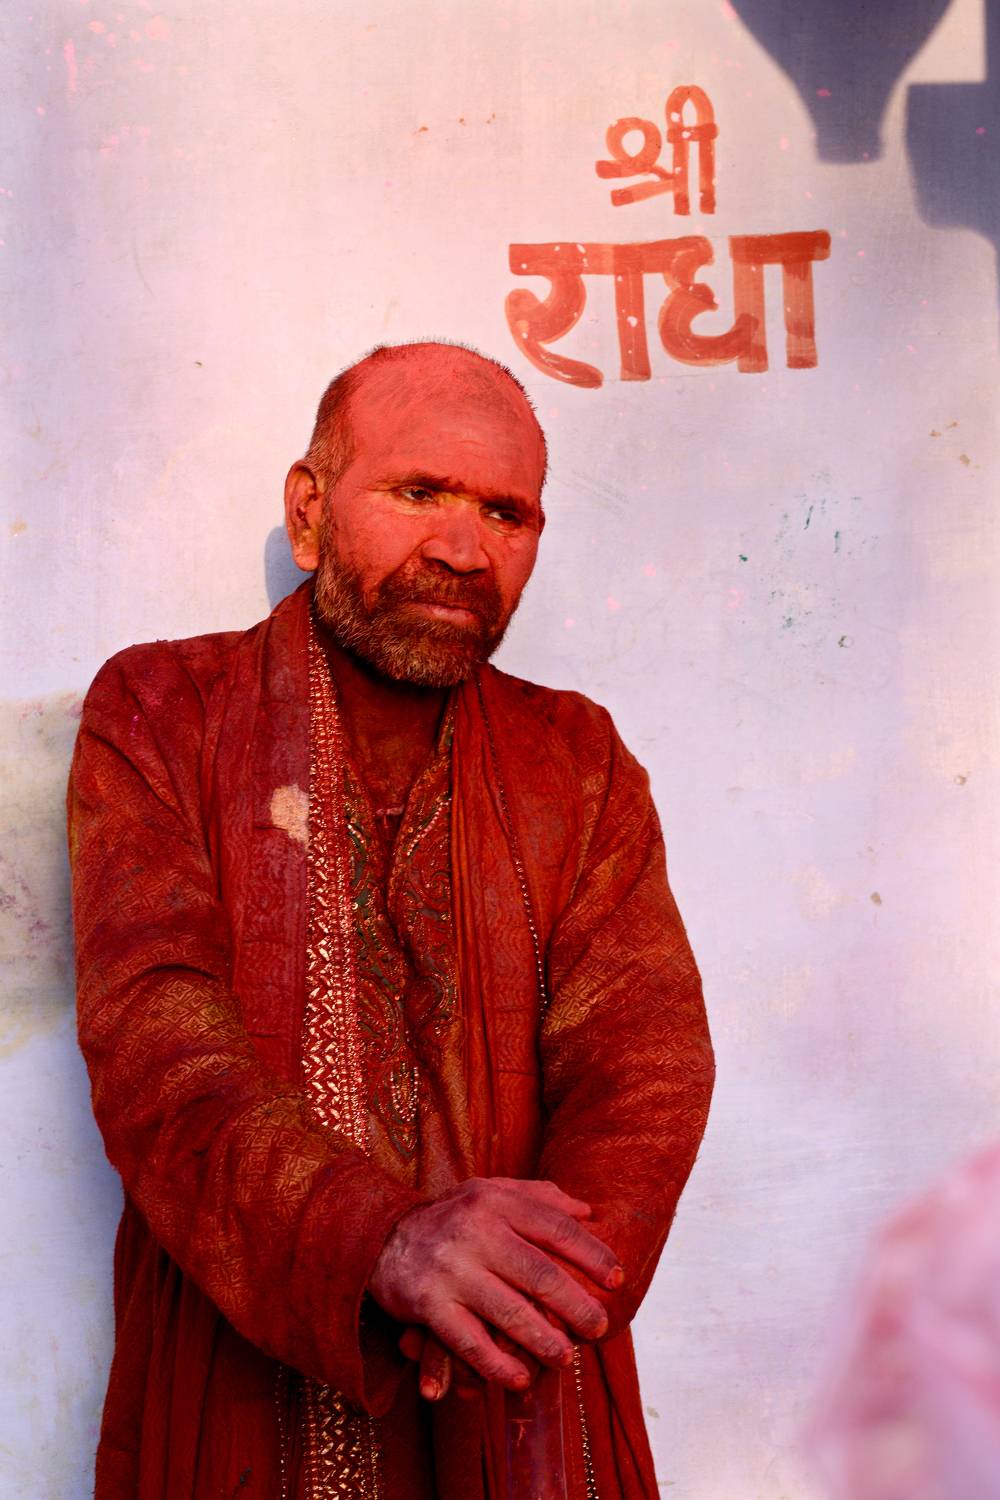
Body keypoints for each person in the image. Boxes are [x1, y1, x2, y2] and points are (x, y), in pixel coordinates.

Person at [68, 340, 715, 1500]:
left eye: (506, 514)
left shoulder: (578, 758)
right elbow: (157, 1045)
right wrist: (379, 1244)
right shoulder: (163, 709)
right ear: (308, 514)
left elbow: (644, 1065)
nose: (463, 550)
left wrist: (525, 1296)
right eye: (419, 492)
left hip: (519, 1397)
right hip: (243, 1402)